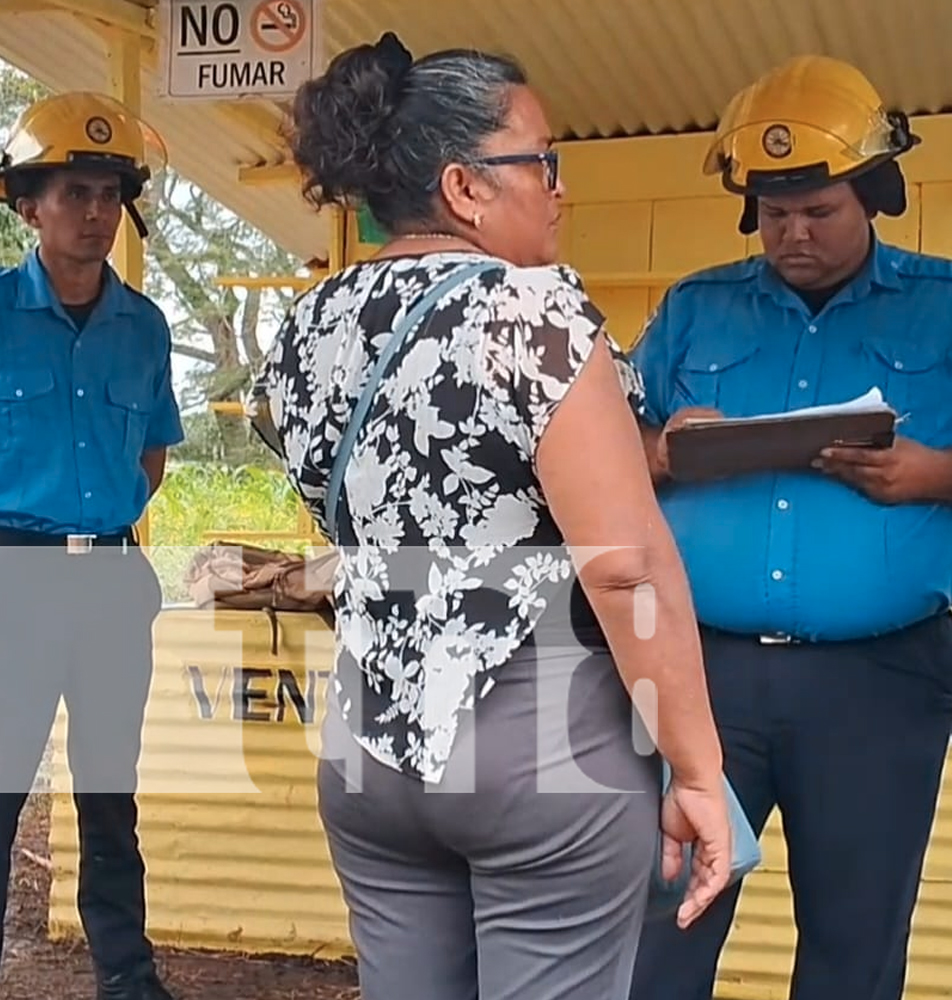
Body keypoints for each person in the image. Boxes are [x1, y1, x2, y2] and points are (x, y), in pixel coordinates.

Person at [252, 32, 730, 1000]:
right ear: (466, 186)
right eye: (541, 160)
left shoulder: (309, 324)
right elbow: (625, 566)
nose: (559, 186)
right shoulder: (529, 311)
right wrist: (697, 769)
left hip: (369, 747)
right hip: (539, 740)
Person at [629, 55, 952, 1000]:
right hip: (705, 672)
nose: (793, 231)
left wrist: (937, 474)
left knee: (854, 935)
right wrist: (662, 448)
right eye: (774, 210)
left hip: (879, 675)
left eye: (819, 210)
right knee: (662, 925)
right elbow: (610, 442)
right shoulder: (697, 309)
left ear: (874, 196)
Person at [0, 92, 183, 1000]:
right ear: (29, 206)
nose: (96, 212)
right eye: (75, 193)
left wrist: (92, 530)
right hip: (8, 580)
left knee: (111, 798)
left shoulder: (144, 328)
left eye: (109, 193)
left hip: (109, 583)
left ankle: (129, 981)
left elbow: (151, 456)